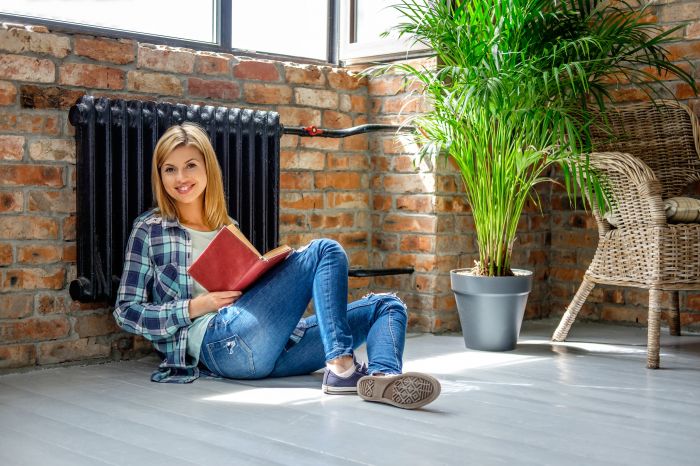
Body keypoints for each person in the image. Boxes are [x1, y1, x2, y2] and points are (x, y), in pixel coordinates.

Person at [114, 122, 441, 410]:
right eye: (169, 169)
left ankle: (383, 378)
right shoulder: (151, 228)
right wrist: (195, 306)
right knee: (324, 250)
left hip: (266, 345)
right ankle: (341, 366)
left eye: (190, 166)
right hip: (219, 345)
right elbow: (126, 311)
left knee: (387, 306)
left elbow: (250, 295)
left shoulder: (228, 227)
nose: (180, 178)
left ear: (207, 170)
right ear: (160, 175)